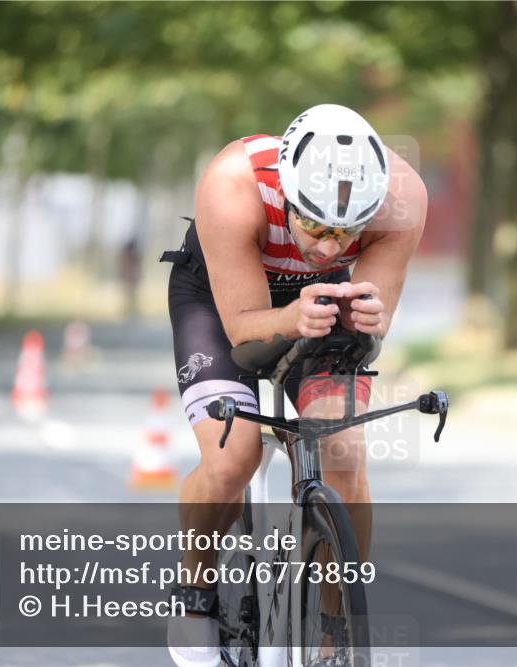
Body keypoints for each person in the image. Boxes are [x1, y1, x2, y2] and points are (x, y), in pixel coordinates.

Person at [162, 104, 428, 666]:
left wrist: (367, 317)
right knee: (233, 458)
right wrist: (290, 317)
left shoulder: (403, 198)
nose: (330, 248)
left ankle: (334, 634)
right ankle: (196, 586)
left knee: (343, 450)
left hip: (322, 301)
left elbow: (370, 323)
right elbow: (243, 329)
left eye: (346, 232)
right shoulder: (234, 182)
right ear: (286, 193)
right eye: (316, 226)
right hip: (221, 300)